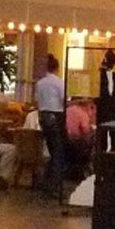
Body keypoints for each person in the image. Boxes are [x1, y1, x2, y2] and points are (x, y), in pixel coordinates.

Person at [35, 55, 68, 197]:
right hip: (56, 117)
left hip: (44, 116)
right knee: (58, 152)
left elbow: (37, 102)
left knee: (52, 149)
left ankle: (46, 183)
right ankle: (55, 186)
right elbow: (64, 100)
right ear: (57, 68)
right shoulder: (59, 82)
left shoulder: (40, 83)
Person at [96, 49, 115, 126]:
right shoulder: (99, 75)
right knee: (102, 134)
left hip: (113, 110)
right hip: (101, 110)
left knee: (114, 133)